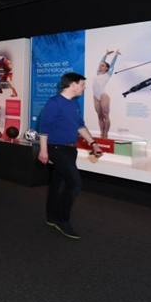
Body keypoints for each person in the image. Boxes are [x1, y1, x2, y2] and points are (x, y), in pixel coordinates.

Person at [38, 73, 103, 240]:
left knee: (58, 183)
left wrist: (93, 143)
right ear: (73, 84)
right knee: (74, 184)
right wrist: (43, 150)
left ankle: (52, 217)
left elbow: (80, 126)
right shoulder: (54, 102)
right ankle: (63, 220)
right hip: (57, 148)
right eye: (82, 84)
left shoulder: (74, 103)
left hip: (70, 149)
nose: (84, 88)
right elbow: (44, 128)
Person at [92, 50, 120, 138]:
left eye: (103, 65)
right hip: (95, 96)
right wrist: (105, 55)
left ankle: (106, 134)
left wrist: (115, 55)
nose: (101, 66)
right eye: (100, 65)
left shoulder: (108, 73)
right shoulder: (98, 72)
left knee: (105, 115)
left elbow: (112, 64)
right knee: (99, 116)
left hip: (103, 95)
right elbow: (101, 62)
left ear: (107, 68)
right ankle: (101, 133)